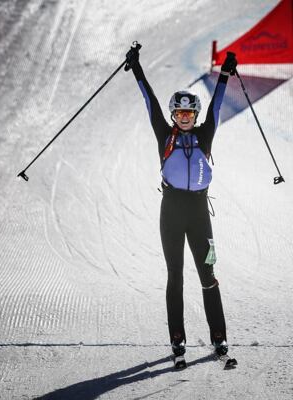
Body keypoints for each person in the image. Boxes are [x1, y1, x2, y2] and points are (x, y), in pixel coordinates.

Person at [125, 45, 238, 364]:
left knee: (208, 275)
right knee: (175, 276)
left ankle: (219, 338)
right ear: (174, 116)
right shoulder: (165, 135)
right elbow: (150, 104)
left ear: (195, 116)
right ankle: (178, 341)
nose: (185, 119)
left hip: (200, 214)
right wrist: (136, 68)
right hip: (172, 212)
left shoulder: (205, 135)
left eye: (189, 114)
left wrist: (225, 72)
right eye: (180, 114)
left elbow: (217, 105)